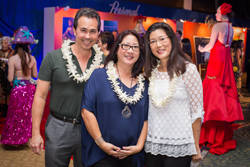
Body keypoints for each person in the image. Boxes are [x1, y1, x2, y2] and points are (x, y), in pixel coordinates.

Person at [29, 8, 105, 167]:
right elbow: (40, 96)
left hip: (91, 129)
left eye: (92, 31)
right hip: (59, 126)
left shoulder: (105, 61)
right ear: (75, 30)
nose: (87, 36)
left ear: (98, 33)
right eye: (83, 30)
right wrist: (35, 133)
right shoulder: (53, 57)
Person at [81, 29, 148, 167]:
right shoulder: (99, 75)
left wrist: (139, 146)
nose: (130, 51)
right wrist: (101, 143)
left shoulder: (144, 83)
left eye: (135, 47)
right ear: (117, 48)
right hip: (101, 154)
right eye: (126, 45)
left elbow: (147, 118)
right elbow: (86, 111)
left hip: (133, 155)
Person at [144, 22, 204, 167]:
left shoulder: (188, 70)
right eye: (153, 41)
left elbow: (196, 112)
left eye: (162, 39)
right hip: (152, 144)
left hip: (179, 144)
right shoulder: (148, 70)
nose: (158, 45)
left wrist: (195, 147)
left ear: (171, 39)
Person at [198, 3, 244, 155]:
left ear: (222, 14)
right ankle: (220, 131)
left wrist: (202, 49)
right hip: (225, 58)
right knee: (222, 91)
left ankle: (210, 133)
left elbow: (211, 45)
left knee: (213, 90)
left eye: (217, 12)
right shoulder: (230, 26)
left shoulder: (218, 26)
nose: (215, 14)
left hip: (217, 57)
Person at [0, 26, 37, 146]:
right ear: (28, 45)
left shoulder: (12, 59)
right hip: (30, 90)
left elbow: (10, 78)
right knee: (27, 114)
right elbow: (35, 75)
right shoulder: (32, 58)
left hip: (18, 90)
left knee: (15, 114)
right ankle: (24, 138)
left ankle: (14, 138)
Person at [0, 36, 14, 116]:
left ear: (9, 44)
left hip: (9, 75)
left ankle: (7, 110)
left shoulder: (12, 52)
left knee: (8, 92)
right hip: (0, 75)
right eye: (2, 43)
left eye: (5, 43)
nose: (3, 44)